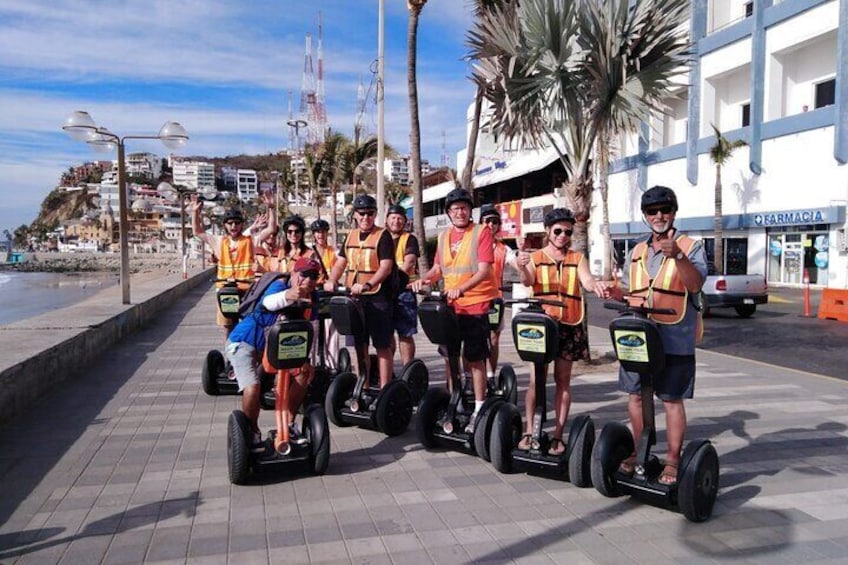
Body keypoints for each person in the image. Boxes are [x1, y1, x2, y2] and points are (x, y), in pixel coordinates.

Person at [606, 185, 707, 485]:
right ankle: (640, 452)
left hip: (675, 335)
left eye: (665, 209)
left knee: (671, 399)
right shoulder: (637, 251)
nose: (659, 215)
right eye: (653, 211)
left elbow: (696, 285)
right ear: (645, 216)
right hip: (638, 336)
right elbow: (631, 290)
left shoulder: (691, 246)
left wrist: (677, 256)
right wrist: (615, 291)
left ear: (674, 212)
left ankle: (673, 459)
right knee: (636, 396)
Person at [515, 208, 608, 455]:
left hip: (568, 325)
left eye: (568, 231)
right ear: (548, 231)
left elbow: (586, 280)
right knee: (536, 380)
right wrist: (521, 266)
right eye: (558, 231)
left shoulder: (577, 258)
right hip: (542, 326)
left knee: (563, 381)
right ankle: (529, 430)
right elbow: (527, 281)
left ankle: (558, 435)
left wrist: (595, 284)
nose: (563, 236)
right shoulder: (535, 257)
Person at [411, 188, 498, 433]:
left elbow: (483, 271)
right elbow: (438, 269)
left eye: (464, 208)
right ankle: (455, 399)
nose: (460, 212)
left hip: (476, 303)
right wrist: (424, 280)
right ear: (449, 213)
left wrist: (461, 288)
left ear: (470, 210)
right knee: (450, 355)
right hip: (450, 306)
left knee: (475, 357)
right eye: (455, 209)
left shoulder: (481, 232)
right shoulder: (443, 237)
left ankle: (480, 405)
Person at [225, 255, 322, 453]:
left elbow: (310, 329)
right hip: (244, 341)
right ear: (294, 273)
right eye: (304, 275)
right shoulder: (279, 285)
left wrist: (306, 360)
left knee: (304, 373)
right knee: (253, 387)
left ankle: (288, 424)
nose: (309, 280)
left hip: (275, 346)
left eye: (314, 276)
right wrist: (290, 295)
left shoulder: (313, 298)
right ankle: (252, 432)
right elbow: (269, 302)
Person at [324, 194, 397, 388]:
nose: (366, 218)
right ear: (355, 215)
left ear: (375, 214)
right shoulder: (351, 235)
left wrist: (368, 285)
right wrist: (332, 279)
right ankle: (362, 386)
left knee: (382, 345)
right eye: (362, 214)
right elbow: (341, 262)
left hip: (377, 297)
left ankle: (385, 388)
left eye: (370, 214)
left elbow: (386, 267)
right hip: (354, 298)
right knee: (359, 343)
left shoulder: (383, 235)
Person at [191, 190, 277, 339]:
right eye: (230, 223)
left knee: (248, 324)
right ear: (225, 225)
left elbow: (271, 229)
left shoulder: (250, 240)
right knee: (228, 326)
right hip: (225, 291)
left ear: (242, 225)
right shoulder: (219, 241)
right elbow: (198, 231)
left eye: (237, 223)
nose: (233, 226)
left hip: (246, 290)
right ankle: (229, 355)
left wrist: (271, 208)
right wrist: (194, 213)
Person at [478, 203, 518, 381]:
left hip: (494, 300)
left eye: (495, 221)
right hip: (473, 299)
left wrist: (522, 257)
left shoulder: (504, 249)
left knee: (494, 338)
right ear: (480, 222)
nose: (491, 225)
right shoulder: (471, 244)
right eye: (487, 221)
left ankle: (490, 376)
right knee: (473, 338)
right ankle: (472, 376)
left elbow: (515, 263)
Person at [386, 204, 420, 365]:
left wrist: (394, 280)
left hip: (404, 292)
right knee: (386, 333)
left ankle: (408, 370)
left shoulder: (409, 239)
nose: (396, 221)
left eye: (400, 218)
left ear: (405, 221)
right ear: (387, 220)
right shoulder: (381, 238)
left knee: (405, 334)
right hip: (384, 292)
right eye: (393, 217)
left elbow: (409, 262)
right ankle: (388, 370)